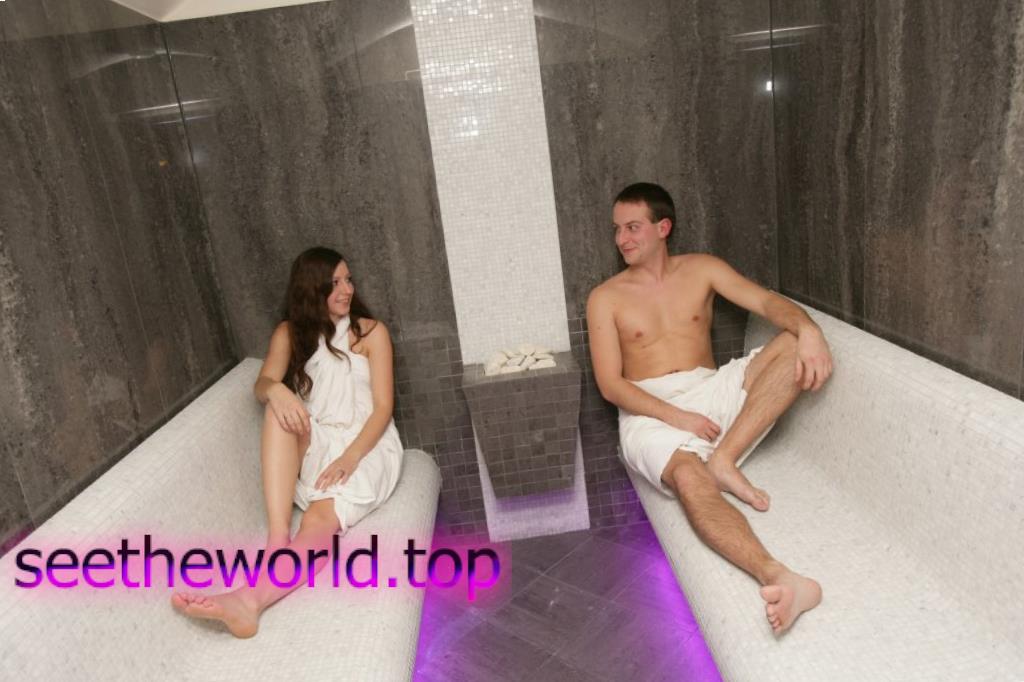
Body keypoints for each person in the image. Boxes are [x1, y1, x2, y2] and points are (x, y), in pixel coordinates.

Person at [587, 183, 831, 635]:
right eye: (617, 229)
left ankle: (723, 458)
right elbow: (611, 385)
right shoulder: (606, 298)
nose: (622, 239)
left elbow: (766, 302)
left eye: (633, 227)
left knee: (791, 343)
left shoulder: (702, 269)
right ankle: (778, 576)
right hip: (649, 412)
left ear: (663, 227)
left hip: (709, 387)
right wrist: (678, 418)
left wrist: (809, 329)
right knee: (687, 476)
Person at [171, 247, 403, 637]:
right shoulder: (289, 334)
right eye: (335, 283)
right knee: (277, 410)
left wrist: (349, 458)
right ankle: (278, 539)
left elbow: (383, 408)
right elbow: (262, 384)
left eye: (348, 280)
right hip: (319, 437)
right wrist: (276, 390)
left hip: (366, 445)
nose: (347, 289)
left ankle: (249, 601)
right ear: (312, 288)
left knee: (318, 521)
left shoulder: (370, 333)